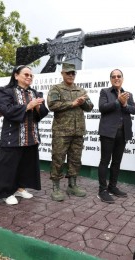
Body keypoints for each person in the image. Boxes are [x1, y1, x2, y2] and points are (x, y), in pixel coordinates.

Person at [0, 65, 48, 205]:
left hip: (31, 136)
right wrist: (28, 106)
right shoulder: (5, 91)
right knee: (8, 166)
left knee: (26, 165)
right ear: (16, 75)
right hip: (13, 136)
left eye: (31, 75)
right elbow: (6, 110)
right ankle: (6, 192)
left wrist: (39, 107)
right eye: (26, 74)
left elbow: (43, 113)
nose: (29, 77)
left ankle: (20, 189)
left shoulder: (35, 92)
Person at [47, 63, 93, 202]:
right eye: (68, 73)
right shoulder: (56, 89)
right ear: (62, 73)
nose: (71, 75)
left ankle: (72, 185)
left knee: (75, 159)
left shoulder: (81, 90)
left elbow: (90, 107)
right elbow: (52, 105)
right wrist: (72, 104)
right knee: (58, 159)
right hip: (61, 131)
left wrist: (82, 102)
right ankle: (56, 187)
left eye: (73, 73)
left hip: (78, 131)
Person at [97, 69, 135, 204]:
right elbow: (102, 107)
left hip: (123, 133)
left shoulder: (128, 94)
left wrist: (125, 104)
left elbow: (134, 110)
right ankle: (102, 190)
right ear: (110, 79)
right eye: (113, 76)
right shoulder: (105, 92)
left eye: (119, 76)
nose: (116, 78)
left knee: (116, 162)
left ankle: (112, 187)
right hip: (108, 133)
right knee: (105, 161)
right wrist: (117, 102)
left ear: (122, 78)